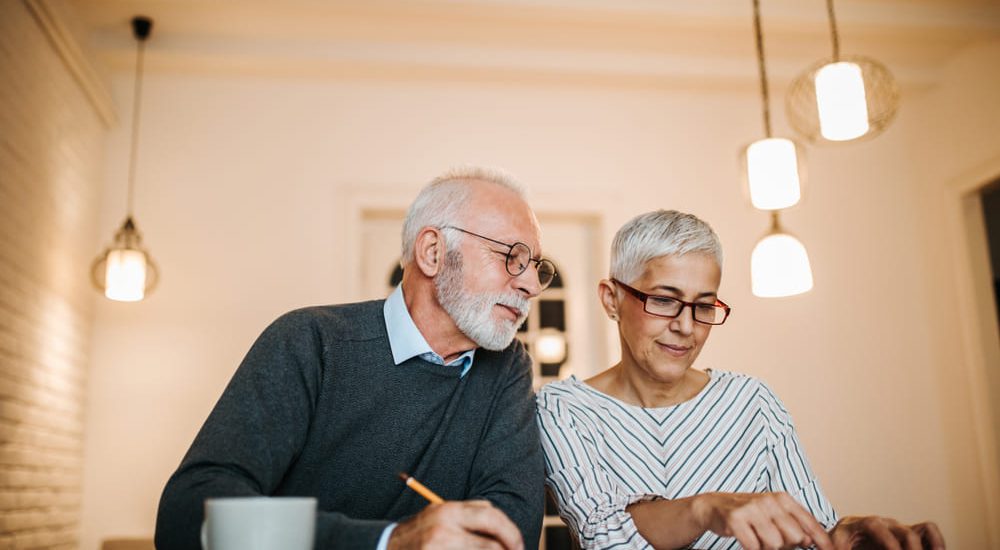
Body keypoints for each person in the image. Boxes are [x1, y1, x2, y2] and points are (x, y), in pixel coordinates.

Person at [155, 166, 555, 550]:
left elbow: (508, 531)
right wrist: (388, 543)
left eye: (536, 266)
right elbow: (188, 514)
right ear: (433, 252)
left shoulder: (506, 367)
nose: (532, 285)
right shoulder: (310, 341)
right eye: (512, 257)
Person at [536, 210, 945, 550]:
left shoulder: (752, 401)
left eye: (703, 305)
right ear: (612, 299)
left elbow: (812, 531)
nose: (686, 326)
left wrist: (850, 534)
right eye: (663, 300)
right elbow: (604, 537)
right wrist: (704, 509)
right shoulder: (564, 409)